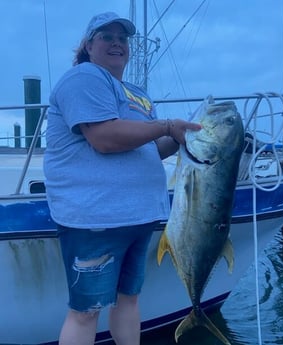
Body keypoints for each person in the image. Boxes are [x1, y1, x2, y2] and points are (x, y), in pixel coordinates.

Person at [44, 11, 201, 345]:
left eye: (123, 38)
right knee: (86, 312)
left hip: (139, 216)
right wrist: (167, 125)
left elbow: (151, 148)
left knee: (129, 299)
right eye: (106, 36)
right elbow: (104, 138)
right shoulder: (84, 77)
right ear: (88, 45)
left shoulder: (137, 93)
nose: (117, 43)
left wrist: (181, 138)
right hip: (95, 219)